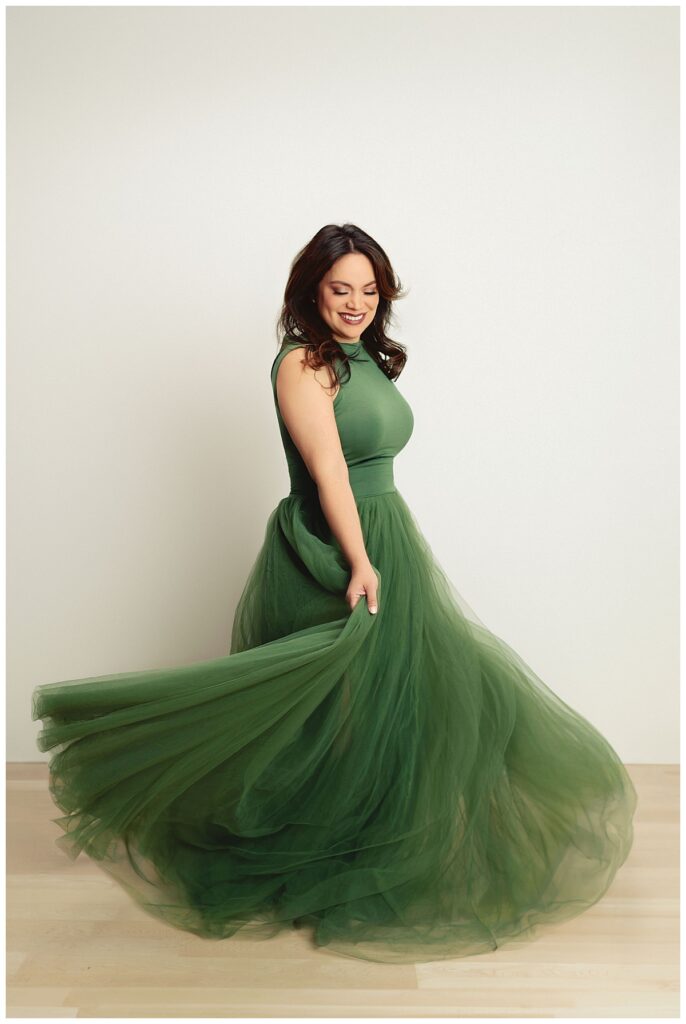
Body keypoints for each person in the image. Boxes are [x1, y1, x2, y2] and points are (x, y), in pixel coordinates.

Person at [31, 222, 637, 966]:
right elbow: (329, 471)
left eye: (368, 291)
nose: (355, 303)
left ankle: (364, 847)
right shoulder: (301, 366)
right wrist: (358, 559)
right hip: (331, 546)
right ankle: (261, 829)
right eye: (340, 289)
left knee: (388, 704)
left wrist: (378, 550)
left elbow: (371, 459)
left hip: (385, 536)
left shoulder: (366, 361)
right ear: (311, 293)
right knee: (328, 709)